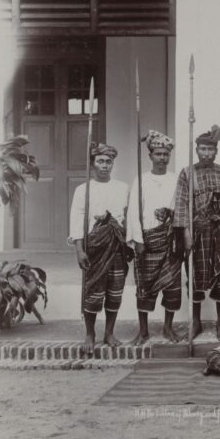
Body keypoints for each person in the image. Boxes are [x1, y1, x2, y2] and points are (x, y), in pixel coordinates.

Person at [172, 125, 220, 341]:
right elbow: (182, 204)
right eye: (202, 149)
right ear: (197, 149)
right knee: (194, 276)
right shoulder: (187, 173)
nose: (206, 153)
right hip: (197, 231)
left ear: (216, 151)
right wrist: (186, 234)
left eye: (210, 150)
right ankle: (196, 321)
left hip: (219, 230)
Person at [69, 143, 130, 352]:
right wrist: (79, 249)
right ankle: (90, 333)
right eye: (100, 161)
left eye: (108, 162)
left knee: (115, 291)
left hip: (117, 247)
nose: (104, 166)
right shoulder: (83, 190)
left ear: (113, 164)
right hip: (93, 247)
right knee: (93, 292)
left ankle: (109, 332)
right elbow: (76, 220)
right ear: (93, 164)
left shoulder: (122, 188)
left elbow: (126, 218)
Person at [126, 130, 184, 345]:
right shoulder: (141, 179)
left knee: (172, 287)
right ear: (150, 155)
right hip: (147, 240)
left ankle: (168, 328)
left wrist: (171, 214)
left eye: (165, 154)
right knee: (145, 286)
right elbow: (133, 211)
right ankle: (143, 331)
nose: (162, 158)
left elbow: (182, 207)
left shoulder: (177, 178)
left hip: (170, 239)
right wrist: (138, 240)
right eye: (158, 154)